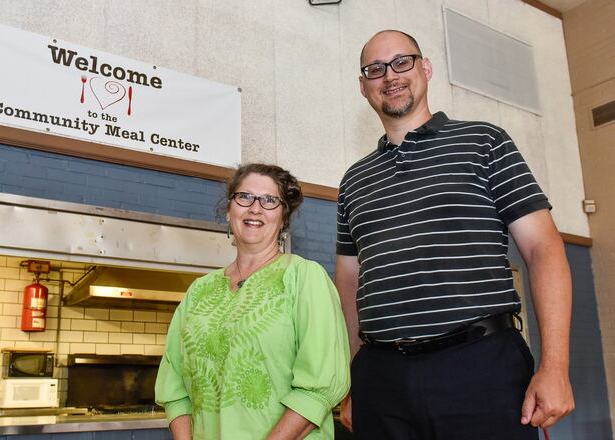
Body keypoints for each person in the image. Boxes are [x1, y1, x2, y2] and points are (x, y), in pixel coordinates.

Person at [335, 30, 575, 439]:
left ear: (425, 68)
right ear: (363, 86)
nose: (389, 76)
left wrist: (555, 366)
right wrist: (354, 376)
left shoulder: (485, 142)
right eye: (375, 69)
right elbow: (349, 281)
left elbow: (543, 249)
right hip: (381, 378)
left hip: (480, 367)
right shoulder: (354, 180)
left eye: (402, 62)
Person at [155, 163, 351, 439]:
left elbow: (319, 388)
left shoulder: (304, 278)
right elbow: (173, 385)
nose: (255, 208)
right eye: (244, 197)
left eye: (270, 200)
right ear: (228, 210)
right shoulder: (199, 291)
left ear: (283, 218)